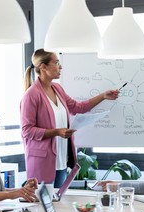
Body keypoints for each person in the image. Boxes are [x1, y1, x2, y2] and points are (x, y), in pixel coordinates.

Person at [21, 48, 119, 188]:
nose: (60, 67)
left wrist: (103, 96)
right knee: (44, 207)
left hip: (61, 160)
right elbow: (27, 131)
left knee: (58, 204)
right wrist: (56, 132)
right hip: (42, 163)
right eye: (56, 63)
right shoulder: (31, 95)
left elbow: (78, 107)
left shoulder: (57, 89)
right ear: (43, 67)